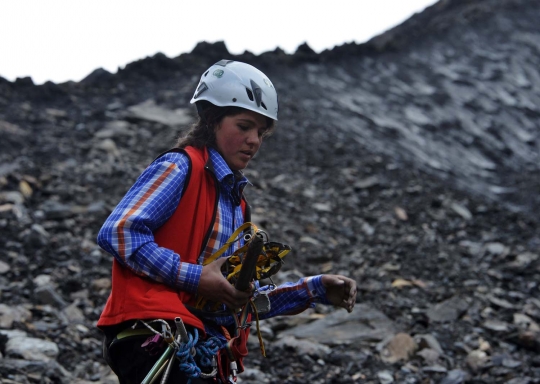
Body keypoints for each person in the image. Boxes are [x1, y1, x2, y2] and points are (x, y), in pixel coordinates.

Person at [97, 59, 357, 384]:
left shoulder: (237, 205)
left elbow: (236, 297)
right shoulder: (179, 167)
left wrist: (314, 290)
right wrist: (194, 278)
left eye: (261, 132)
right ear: (211, 118)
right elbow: (119, 232)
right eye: (244, 126)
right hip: (158, 335)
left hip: (200, 345)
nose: (254, 141)